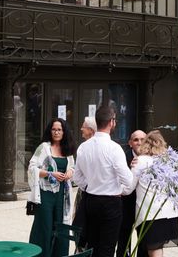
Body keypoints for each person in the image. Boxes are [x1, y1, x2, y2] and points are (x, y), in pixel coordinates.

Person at [74, 106, 133, 257]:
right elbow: (128, 180)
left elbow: (77, 178)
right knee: (107, 248)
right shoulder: (114, 148)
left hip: (91, 200)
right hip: (110, 202)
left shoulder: (83, 147)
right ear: (112, 122)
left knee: (92, 245)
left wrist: (90, 186)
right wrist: (121, 190)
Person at [123, 131, 178, 256]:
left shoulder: (141, 160)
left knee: (154, 252)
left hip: (150, 215)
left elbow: (128, 189)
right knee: (158, 250)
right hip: (169, 214)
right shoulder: (167, 162)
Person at [28, 118, 76, 257]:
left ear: (64, 132)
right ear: (50, 131)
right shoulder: (43, 148)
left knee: (61, 227)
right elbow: (32, 168)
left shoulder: (68, 149)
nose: (56, 132)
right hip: (45, 195)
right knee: (45, 227)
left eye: (59, 130)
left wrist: (69, 173)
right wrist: (50, 174)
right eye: (54, 129)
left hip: (63, 196)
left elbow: (72, 167)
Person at [118, 130, 147, 257]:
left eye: (142, 139)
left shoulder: (151, 158)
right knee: (124, 238)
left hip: (145, 205)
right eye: (136, 140)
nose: (139, 142)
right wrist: (129, 169)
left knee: (144, 239)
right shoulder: (122, 158)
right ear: (130, 143)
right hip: (126, 204)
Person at [73, 116, 97, 252]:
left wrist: (87, 187)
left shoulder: (84, 147)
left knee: (83, 228)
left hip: (86, 192)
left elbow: (77, 177)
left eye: (84, 126)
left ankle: (82, 252)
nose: (81, 129)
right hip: (89, 191)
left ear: (91, 130)